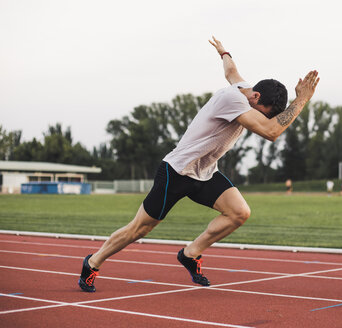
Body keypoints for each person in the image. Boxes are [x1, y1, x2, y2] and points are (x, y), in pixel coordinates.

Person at [78, 36, 320, 292]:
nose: (258, 118)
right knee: (140, 228)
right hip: (177, 171)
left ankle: (190, 253)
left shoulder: (246, 89)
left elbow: (231, 71)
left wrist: (223, 51)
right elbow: (271, 132)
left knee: (239, 213)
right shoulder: (234, 100)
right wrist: (302, 99)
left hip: (205, 173)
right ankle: (92, 262)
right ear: (256, 96)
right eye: (262, 112)